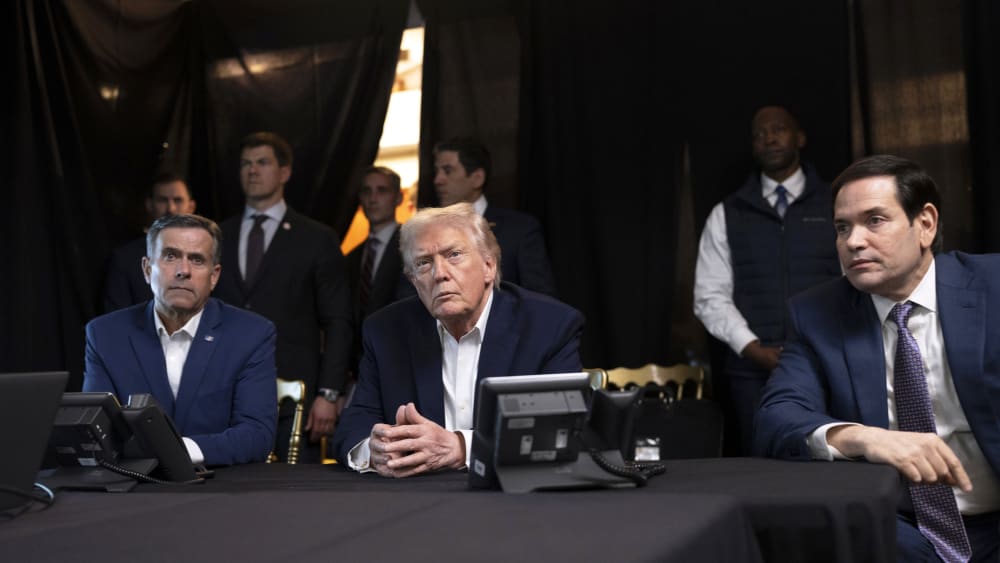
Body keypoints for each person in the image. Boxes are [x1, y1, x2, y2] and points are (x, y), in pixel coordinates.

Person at [754, 155, 1000, 561]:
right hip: (902, 530)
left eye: (875, 220)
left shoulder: (992, 287)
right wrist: (865, 437)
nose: (853, 241)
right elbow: (776, 417)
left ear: (925, 224)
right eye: (842, 227)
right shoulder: (816, 314)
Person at [331, 203, 583, 477]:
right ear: (414, 281)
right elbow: (356, 422)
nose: (439, 273)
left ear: (489, 266)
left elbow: (563, 430)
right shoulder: (385, 331)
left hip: (510, 492)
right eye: (424, 263)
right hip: (416, 492)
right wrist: (374, 450)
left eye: (454, 255)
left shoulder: (548, 326)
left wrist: (462, 447)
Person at [693, 105, 841, 455]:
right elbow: (709, 295)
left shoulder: (836, 204)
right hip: (752, 370)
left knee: (832, 459)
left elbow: (857, 279)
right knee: (761, 467)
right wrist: (751, 347)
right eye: (759, 134)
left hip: (829, 360)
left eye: (778, 129)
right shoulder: (727, 212)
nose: (769, 139)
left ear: (800, 138)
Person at [84, 214, 277, 466]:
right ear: (147, 269)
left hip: (221, 482)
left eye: (197, 260)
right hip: (134, 483)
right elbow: (95, 432)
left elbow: (257, 436)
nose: (183, 271)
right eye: (170, 256)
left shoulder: (251, 334)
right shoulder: (105, 335)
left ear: (214, 276)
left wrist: (178, 451)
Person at [213, 131, 353, 462]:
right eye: (245, 163)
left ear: (285, 172)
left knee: (292, 490)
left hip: (296, 396)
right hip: (224, 392)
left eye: (262, 162)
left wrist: (329, 393)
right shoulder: (217, 235)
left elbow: (339, 320)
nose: (252, 170)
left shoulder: (317, 238)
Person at [433, 137, 557, 295]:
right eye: (437, 171)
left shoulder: (519, 229)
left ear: (477, 178)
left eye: (448, 171)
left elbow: (540, 297)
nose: (438, 180)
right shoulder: (429, 231)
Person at [104, 172, 196, 312]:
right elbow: (115, 317)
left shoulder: (206, 256)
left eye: (178, 200)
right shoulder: (124, 259)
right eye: (162, 200)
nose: (170, 209)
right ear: (149, 205)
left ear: (191, 207)